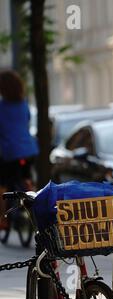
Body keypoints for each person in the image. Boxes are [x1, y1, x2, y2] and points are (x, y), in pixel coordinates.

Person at [0, 70, 39, 229]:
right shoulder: (24, 105)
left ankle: (2, 219)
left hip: (10, 152)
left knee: (2, 184)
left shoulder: (1, 107)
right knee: (27, 179)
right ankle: (37, 207)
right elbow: (27, 121)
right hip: (29, 150)